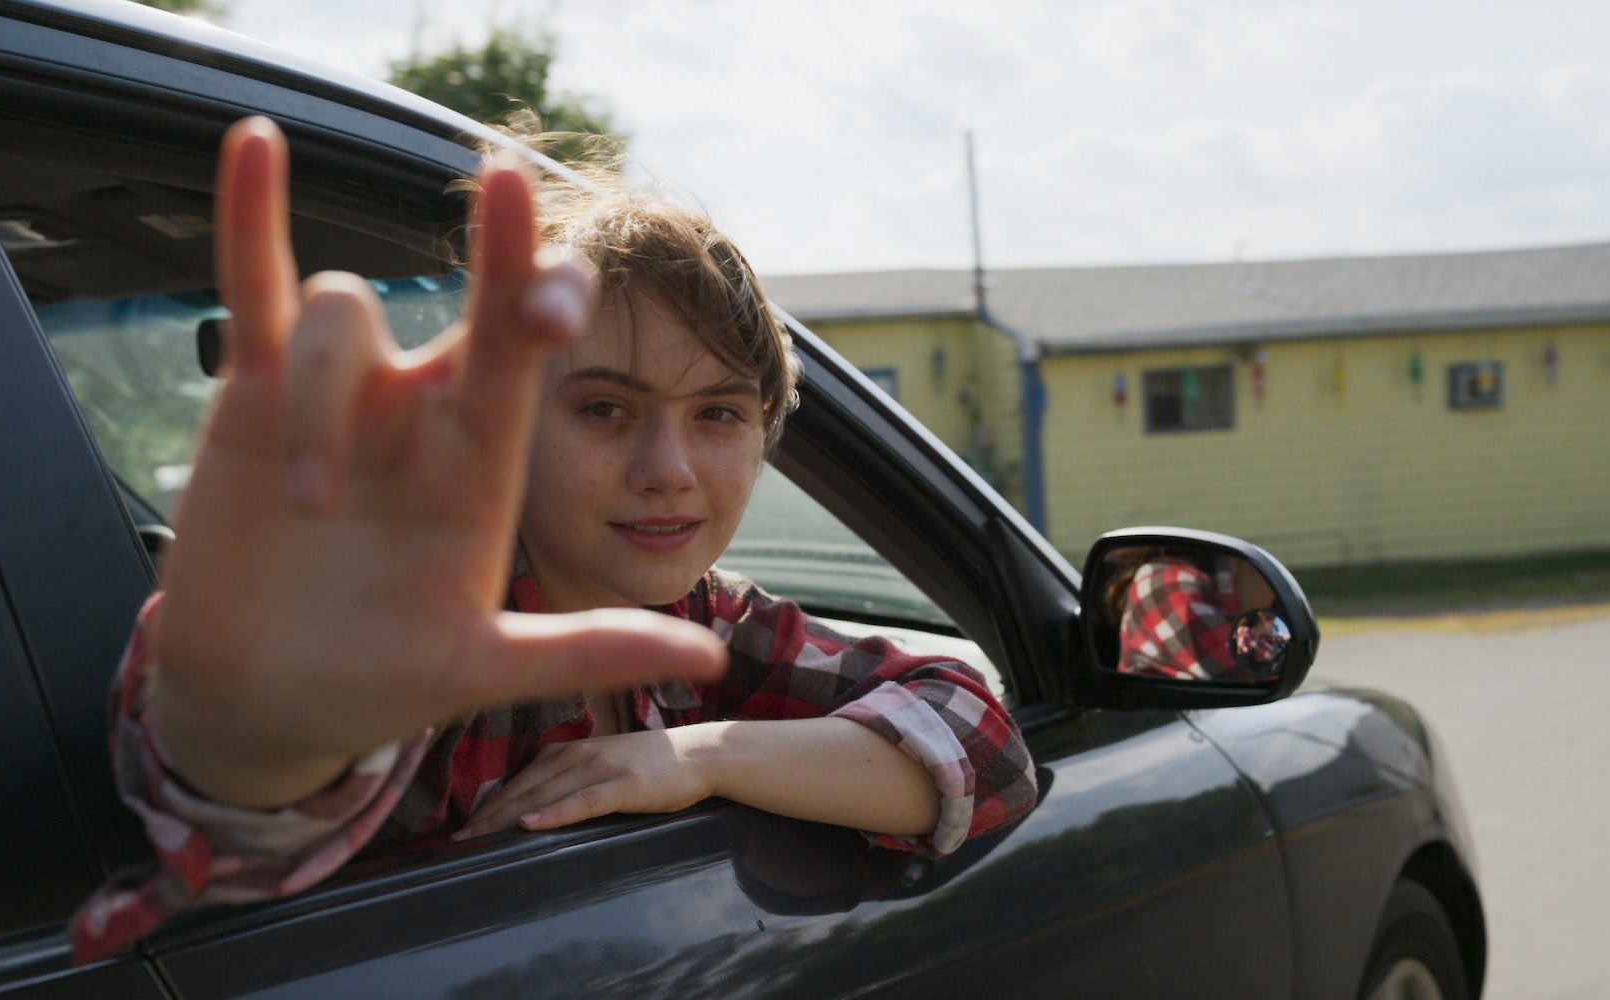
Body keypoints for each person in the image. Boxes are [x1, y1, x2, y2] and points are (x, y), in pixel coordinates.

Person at [67, 118, 1036, 960]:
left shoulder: (701, 618)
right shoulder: (427, 623)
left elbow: (985, 747)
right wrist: (246, 735)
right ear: (504, 431)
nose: (669, 467)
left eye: (718, 414)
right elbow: (242, 808)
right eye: (605, 407)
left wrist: (701, 756)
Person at [1105, 547, 1277, 682]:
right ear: (1246, 565)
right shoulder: (1166, 584)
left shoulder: (1214, 585)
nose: (1277, 591)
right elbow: (1245, 674)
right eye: (1274, 574)